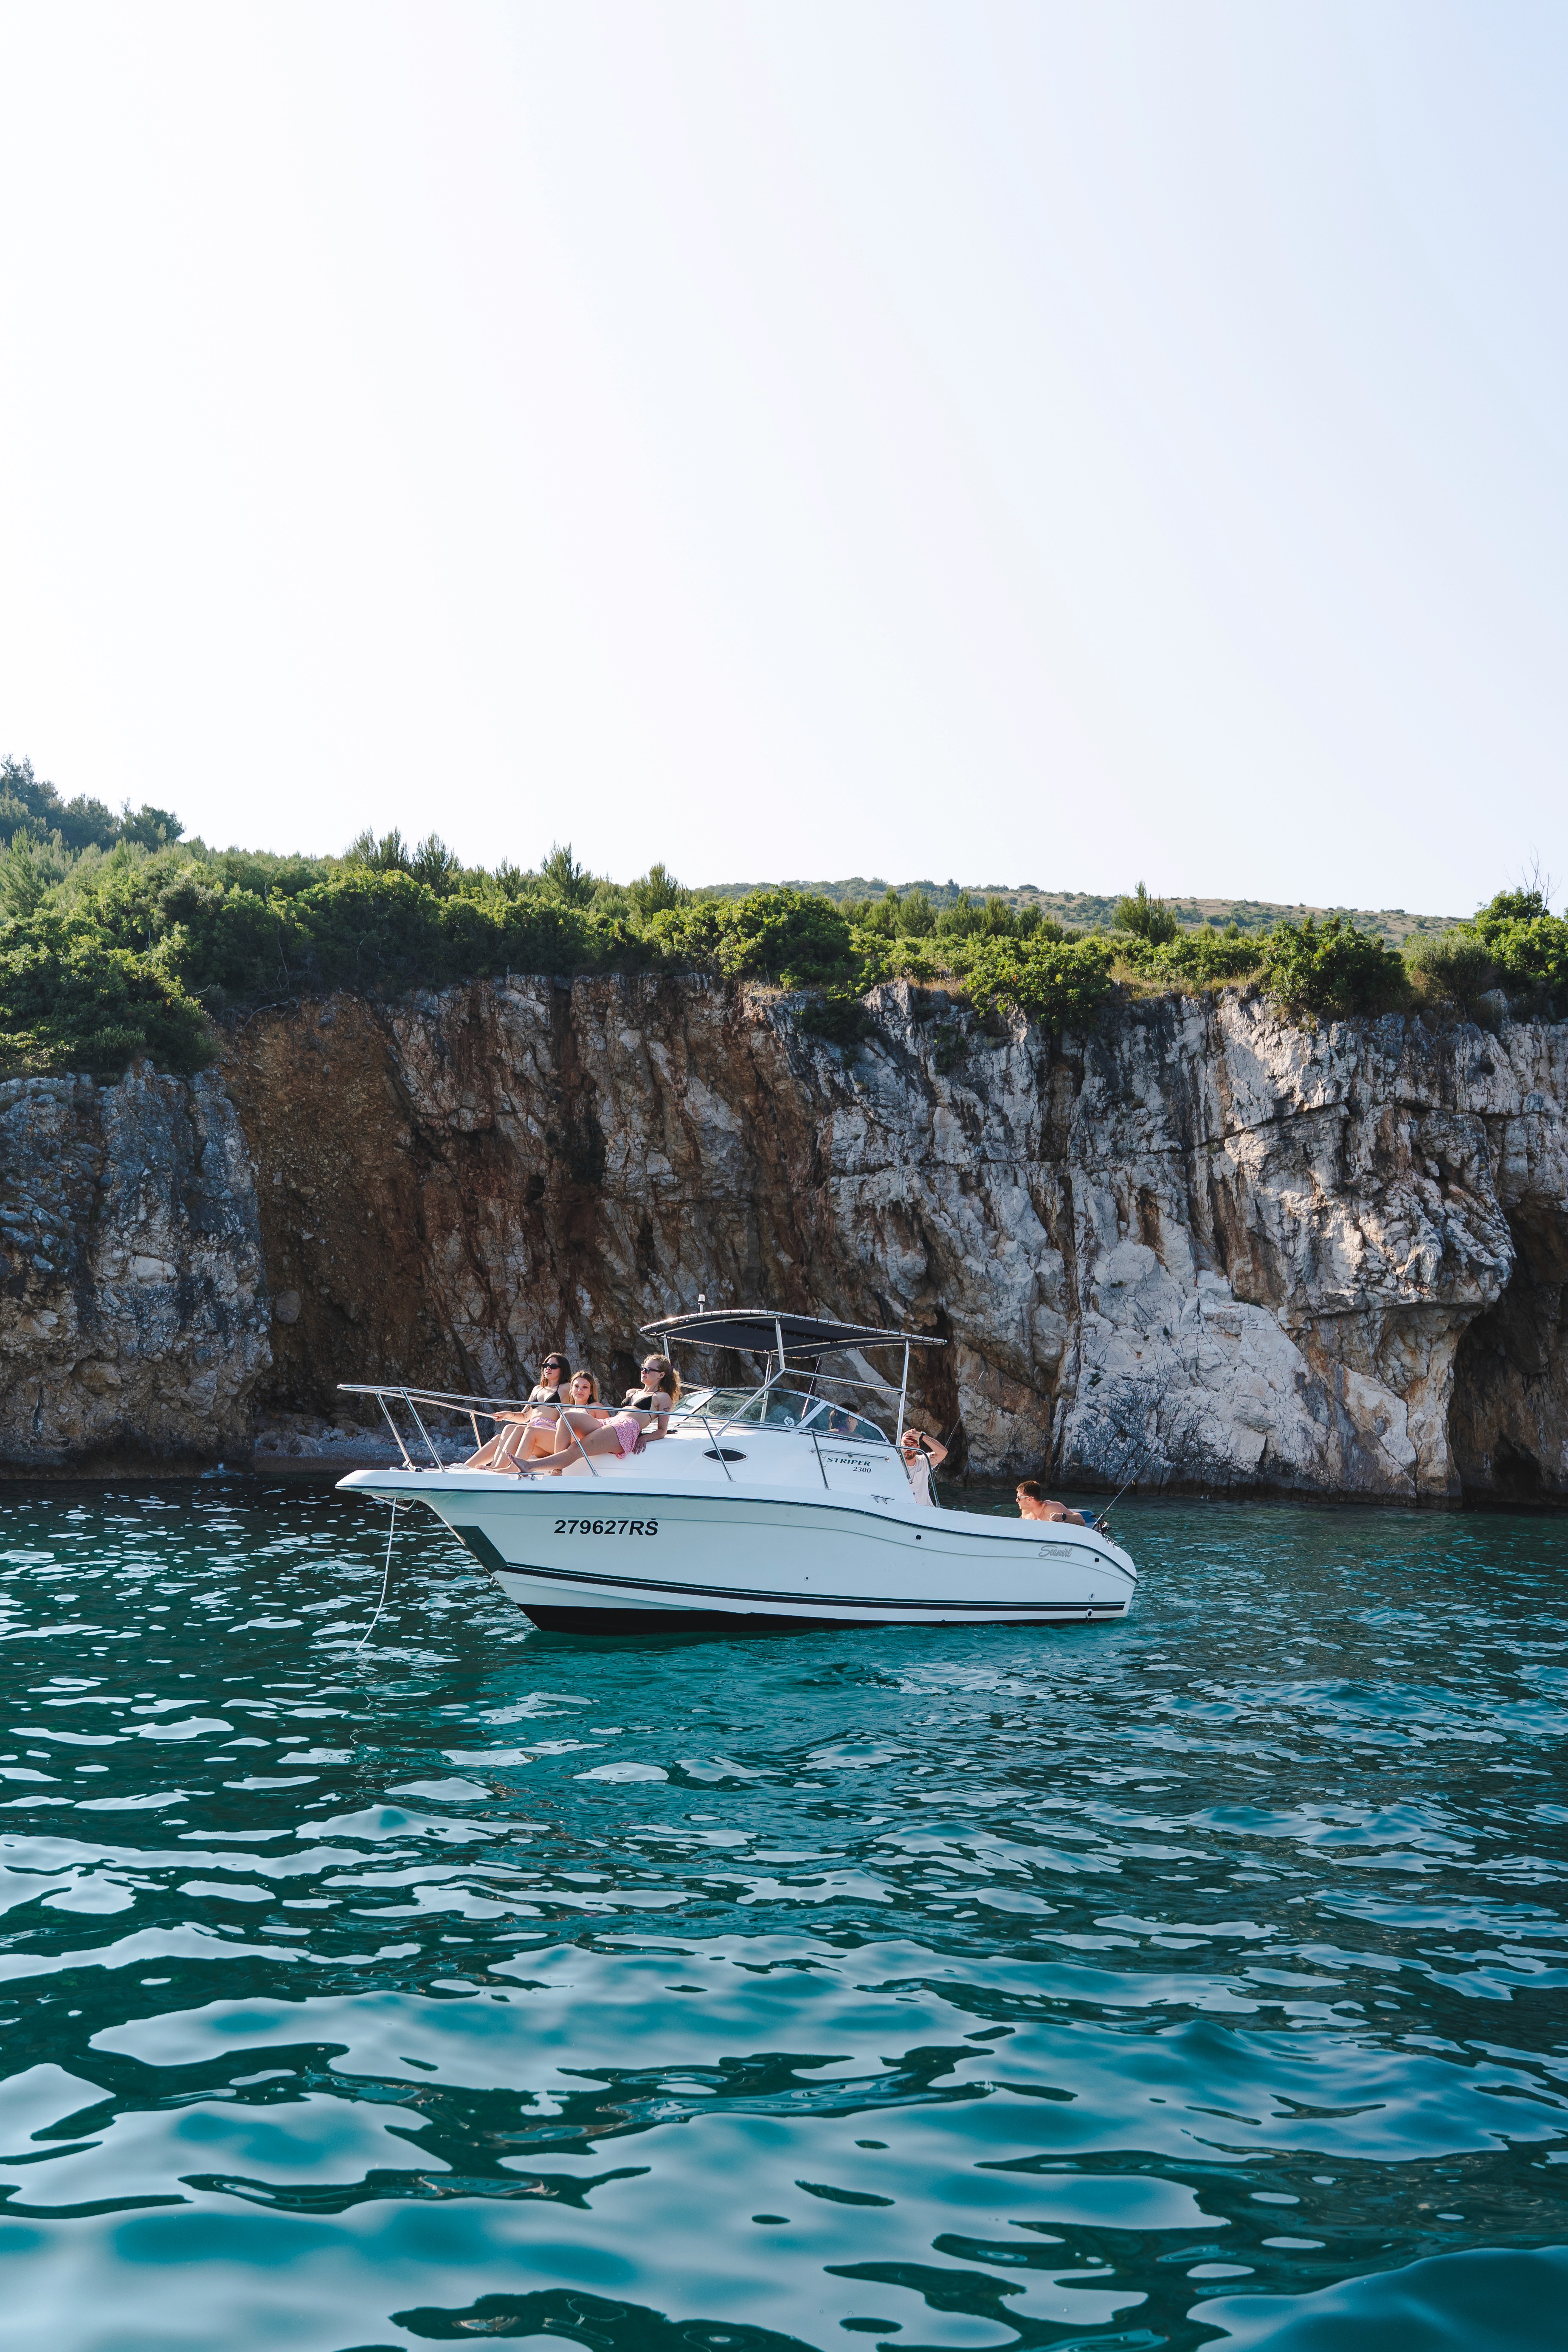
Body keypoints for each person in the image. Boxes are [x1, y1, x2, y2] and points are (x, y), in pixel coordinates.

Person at [549, 1353, 680, 1469]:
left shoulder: (662, 1397)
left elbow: (662, 1430)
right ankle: (556, 1468)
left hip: (625, 1429)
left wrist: (645, 1438)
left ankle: (553, 1470)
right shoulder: (632, 1392)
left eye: (648, 1370)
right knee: (567, 1417)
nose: (644, 1372)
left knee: (576, 1448)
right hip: (613, 1422)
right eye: (643, 1368)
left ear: (661, 1375)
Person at [464, 1352, 569, 1469]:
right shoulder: (537, 1389)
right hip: (531, 1433)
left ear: (563, 1370)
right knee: (504, 1433)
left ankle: (497, 1469)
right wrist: (507, 1414)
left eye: (553, 1366)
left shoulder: (566, 1388)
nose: (548, 1368)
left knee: (520, 1429)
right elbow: (525, 1416)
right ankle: (466, 1467)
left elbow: (579, 1397)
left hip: (548, 1436)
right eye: (546, 1366)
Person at [899, 1425, 948, 1505]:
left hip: (924, 1509)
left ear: (918, 1448)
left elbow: (943, 1453)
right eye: (906, 1444)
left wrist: (921, 1436)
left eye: (912, 1445)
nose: (909, 1448)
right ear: (900, 1446)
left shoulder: (923, 1461)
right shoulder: (893, 1462)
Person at [1015, 1479, 1086, 1525]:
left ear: (1029, 1499)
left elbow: (1081, 1521)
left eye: (1019, 1498)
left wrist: (1063, 1517)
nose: (1017, 1500)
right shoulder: (1025, 1512)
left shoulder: (1051, 1508)